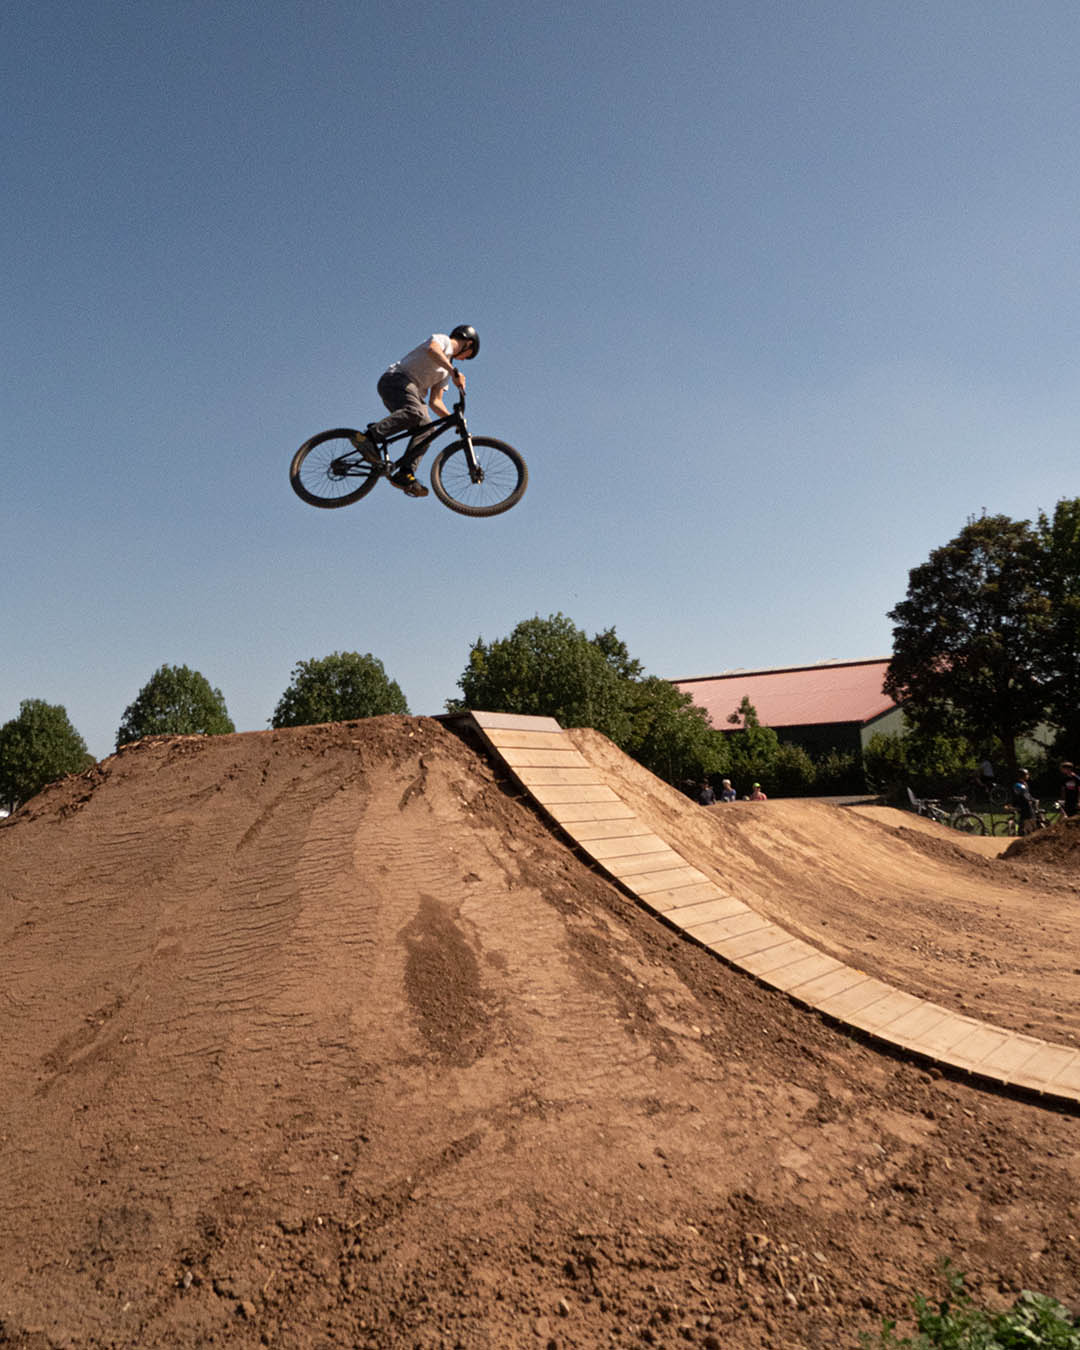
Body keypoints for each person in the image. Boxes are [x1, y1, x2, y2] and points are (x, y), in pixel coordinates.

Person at [364, 325, 480, 497]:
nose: (463, 360)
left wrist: (453, 420)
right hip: (395, 380)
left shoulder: (445, 372)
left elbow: (435, 402)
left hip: (413, 393)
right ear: (467, 343)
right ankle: (368, 438)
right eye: (467, 356)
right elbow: (432, 350)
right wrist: (453, 371)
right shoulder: (444, 341)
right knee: (415, 412)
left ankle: (405, 473)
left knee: (428, 428)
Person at [1011, 768, 1036, 835]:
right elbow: (1024, 796)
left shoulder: (1025, 784)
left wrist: (1033, 799)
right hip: (1022, 805)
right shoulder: (1018, 785)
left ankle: (1028, 831)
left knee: (1031, 818)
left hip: (1027, 804)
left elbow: (1028, 795)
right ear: (1022, 775)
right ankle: (1022, 833)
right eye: (1027, 774)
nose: (1028, 775)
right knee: (1026, 819)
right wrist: (1032, 800)